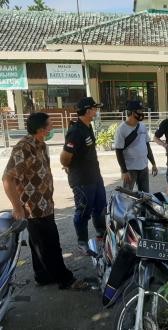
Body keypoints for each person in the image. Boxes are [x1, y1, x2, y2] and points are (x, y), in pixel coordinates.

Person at [2, 113, 87, 290]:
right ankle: (65, 280)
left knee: (38, 245)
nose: (52, 128)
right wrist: (17, 207)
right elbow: (8, 179)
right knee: (50, 246)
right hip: (33, 209)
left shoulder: (41, 145)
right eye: (49, 125)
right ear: (41, 129)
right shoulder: (23, 148)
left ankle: (42, 275)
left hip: (45, 205)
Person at [60, 97, 106, 255]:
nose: (96, 111)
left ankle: (101, 234)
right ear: (88, 111)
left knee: (100, 207)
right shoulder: (75, 131)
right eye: (94, 108)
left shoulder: (88, 126)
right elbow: (65, 157)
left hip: (95, 176)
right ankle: (82, 242)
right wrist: (67, 167)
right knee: (83, 211)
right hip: (82, 180)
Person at [114, 101, 158, 192]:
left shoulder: (142, 126)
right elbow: (118, 151)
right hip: (130, 169)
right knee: (126, 196)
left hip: (143, 167)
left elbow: (147, 146)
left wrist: (153, 164)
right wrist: (124, 171)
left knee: (145, 196)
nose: (142, 113)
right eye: (140, 111)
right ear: (133, 112)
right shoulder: (122, 129)